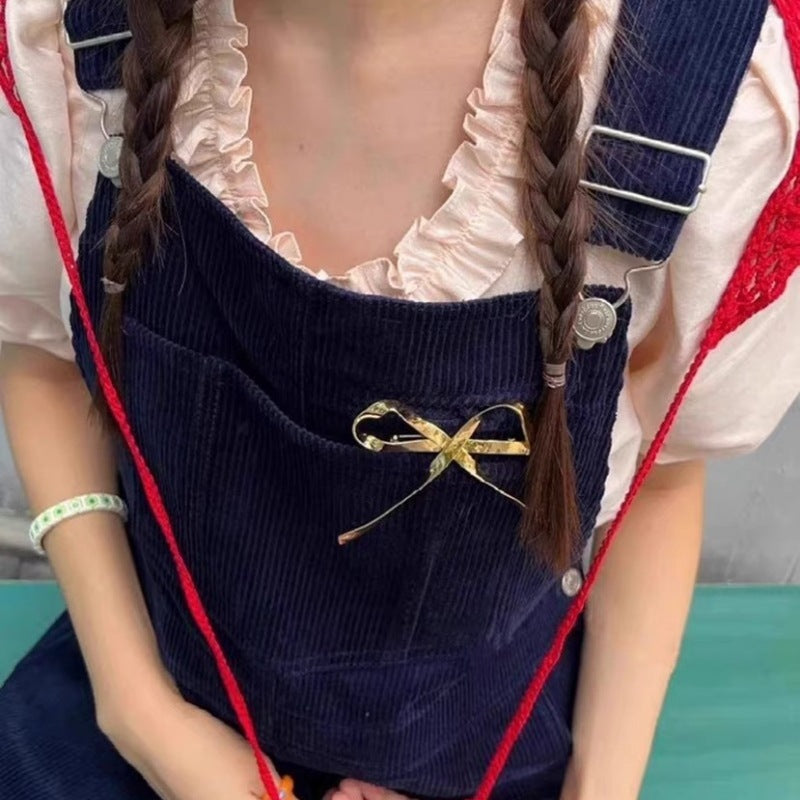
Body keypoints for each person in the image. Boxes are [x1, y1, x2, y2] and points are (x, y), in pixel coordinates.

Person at [0, 0, 798, 799]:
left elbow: (661, 478)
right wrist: (137, 708)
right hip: (152, 689)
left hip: (491, 748)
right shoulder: (61, 32)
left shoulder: (715, 97)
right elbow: (43, 358)